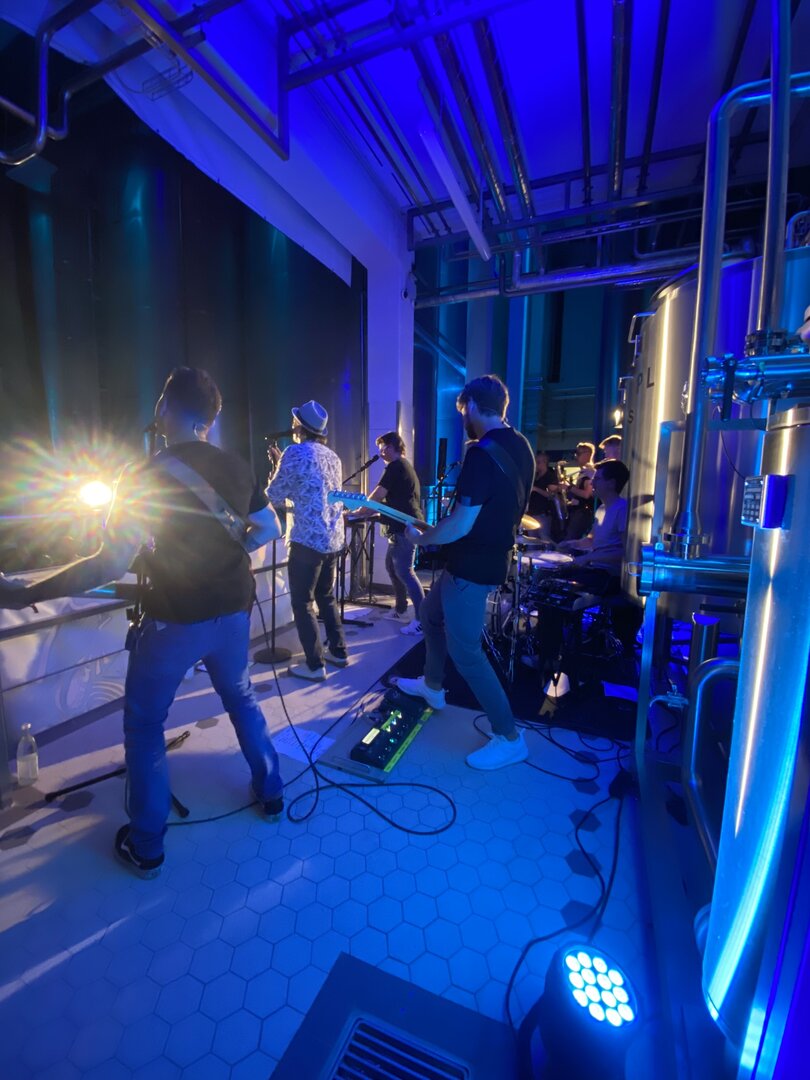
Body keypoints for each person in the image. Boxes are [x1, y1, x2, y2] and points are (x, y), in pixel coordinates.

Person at [0, 367, 285, 878]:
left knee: (146, 723)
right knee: (241, 697)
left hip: (175, 621)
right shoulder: (236, 467)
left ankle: (147, 844)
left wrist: (25, 592)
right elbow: (269, 526)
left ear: (165, 408)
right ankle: (271, 792)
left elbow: (109, 564)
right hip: (233, 612)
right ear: (210, 418)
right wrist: (230, 554)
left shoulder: (142, 476)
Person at [396, 374, 535, 771]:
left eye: (462, 411)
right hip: (475, 561)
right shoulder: (521, 445)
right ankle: (432, 686)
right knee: (429, 615)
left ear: (471, 405)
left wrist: (422, 539)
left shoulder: (481, 453)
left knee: (467, 652)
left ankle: (509, 737)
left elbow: (460, 524)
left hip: (471, 567)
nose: (463, 419)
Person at [535, 459, 632, 701]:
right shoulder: (601, 509)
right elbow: (592, 540)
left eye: (598, 478)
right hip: (594, 569)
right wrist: (572, 544)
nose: (593, 481)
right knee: (546, 587)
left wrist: (588, 558)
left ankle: (565, 661)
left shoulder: (622, 509)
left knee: (560, 596)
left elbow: (625, 552)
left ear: (612, 483)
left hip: (608, 576)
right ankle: (548, 655)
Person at [265, 399, 348, 681]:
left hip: (306, 541)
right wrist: (283, 463)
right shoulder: (332, 456)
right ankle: (339, 652)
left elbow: (274, 495)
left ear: (298, 427)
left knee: (302, 603)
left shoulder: (294, 453)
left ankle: (314, 666)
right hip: (332, 539)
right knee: (327, 597)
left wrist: (278, 466)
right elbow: (311, 487)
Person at [348, 431, 425, 635]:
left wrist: (359, 511)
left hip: (403, 529)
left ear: (391, 447)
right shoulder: (403, 466)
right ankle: (400, 609)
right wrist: (365, 511)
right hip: (400, 528)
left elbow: (378, 495)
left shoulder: (396, 466)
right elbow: (390, 500)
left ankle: (422, 620)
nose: (380, 452)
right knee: (392, 567)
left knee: (406, 572)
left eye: (382, 447)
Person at [527, 450, 564, 541]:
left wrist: (536, 489)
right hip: (532, 513)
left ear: (545, 462)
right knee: (532, 541)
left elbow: (551, 496)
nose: (536, 464)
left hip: (543, 514)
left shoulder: (550, 476)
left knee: (544, 540)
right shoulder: (535, 476)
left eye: (538, 462)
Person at [563, 441, 596, 540]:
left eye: (578, 453)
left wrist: (569, 487)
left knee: (571, 539)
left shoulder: (589, 472)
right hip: (578, 512)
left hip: (583, 513)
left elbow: (587, 494)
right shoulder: (582, 472)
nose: (576, 456)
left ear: (587, 454)